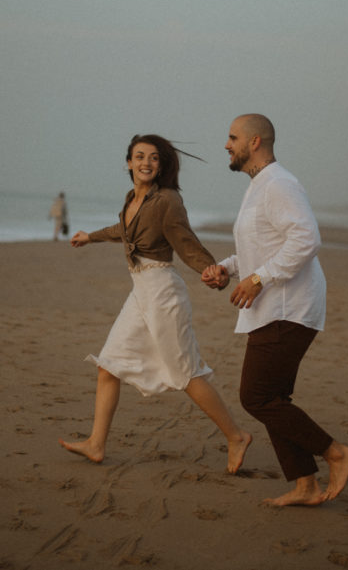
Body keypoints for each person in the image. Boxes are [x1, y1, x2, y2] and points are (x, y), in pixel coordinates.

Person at [59, 134, 252, 473]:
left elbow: (184, 239)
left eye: (153, 158)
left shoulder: (168, 200)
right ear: (129, 162)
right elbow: (123, 228)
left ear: (161, 165)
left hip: (163, 292)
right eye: (139, 156)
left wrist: (212, 269)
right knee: (109, 365)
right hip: (141, 292)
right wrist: (90, 236)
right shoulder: (133, 197)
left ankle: (236, 436)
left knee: (185, 373)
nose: (145, 162)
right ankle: (96, 443)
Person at [201, 114, 348, 507]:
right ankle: (305, 485)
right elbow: (261, 247)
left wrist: (258, 279)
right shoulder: (258, 186)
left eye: (232, 137)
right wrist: (228, 269)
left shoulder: (280, 184)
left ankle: (336, 453)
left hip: (290, 306)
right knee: (274, 398)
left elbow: (307, 238)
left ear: (255, 142)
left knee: (256, 396)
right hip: (273, 305)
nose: (226, 144)